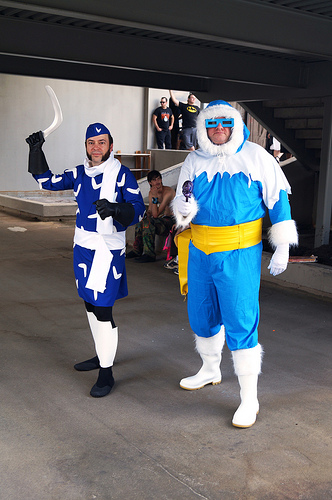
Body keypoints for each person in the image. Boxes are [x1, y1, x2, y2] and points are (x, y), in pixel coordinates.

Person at [172, 101, 298, 428]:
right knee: (201, 313)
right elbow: (184, 204)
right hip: (199, 249)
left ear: (234, 125)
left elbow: (277, 199)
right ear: (203, 128)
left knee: (241, 318)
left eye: (224, 125)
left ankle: (249, 397)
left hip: (239, 251)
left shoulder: (257, 157)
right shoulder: (194, 160)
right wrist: (183, 206)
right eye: (211, 126)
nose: (218, 131)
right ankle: (210, 368)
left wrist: (282, 245)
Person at [26, 123, 146, 398]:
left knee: (103, 309)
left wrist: (116, 208)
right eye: (91, 142)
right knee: (90, 305)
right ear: (86, 146)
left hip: (107, 250)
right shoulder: (79, 173)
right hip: (83, 247)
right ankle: (101, 354)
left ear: (110, 146)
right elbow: (48, 181)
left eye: (101, 142)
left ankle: (107, 372)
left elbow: (138, 211)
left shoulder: (121, 174)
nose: (96, 147)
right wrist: (36, 150)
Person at [127, 170, 175, 263]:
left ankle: (149, 254)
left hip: (172, 221)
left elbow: (156, 215)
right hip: (163, 220)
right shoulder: (152, 193)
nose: (157, 182)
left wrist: (154, 198)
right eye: (154, 180)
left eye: (159, 179)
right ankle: (137, 250)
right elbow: (150, 211)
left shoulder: (168, 192)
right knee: (141, 220)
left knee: (148, 223)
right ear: (150, 182)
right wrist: (146, 214)